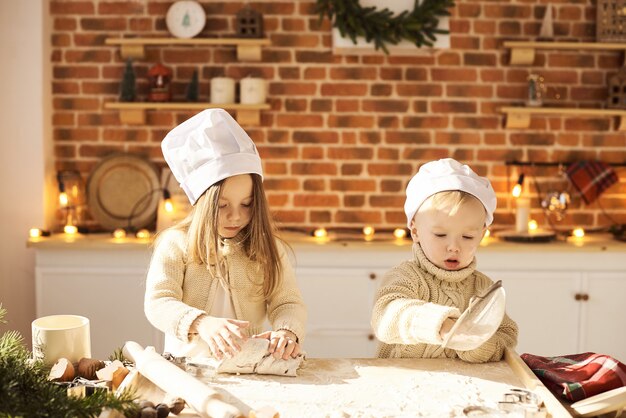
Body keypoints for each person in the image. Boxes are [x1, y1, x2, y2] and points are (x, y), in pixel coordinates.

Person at [145, 108, 307, 361]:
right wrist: (203, 323)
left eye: (247, 204)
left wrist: (286, 331)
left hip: (246, 363)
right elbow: (159, 303)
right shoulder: (175, 243)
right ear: (202, 203)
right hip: (186, 363)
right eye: (222, 206)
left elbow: (287, 303)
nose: (236, 216)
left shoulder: (268, 247)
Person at [371, 158, 518, 363]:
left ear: (482, 235)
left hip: (464, 386)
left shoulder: (483, 288)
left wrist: (473, 344)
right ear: (415, 231)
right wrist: (441, 326)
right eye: (440, 235)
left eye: (467, 237)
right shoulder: (405, 277)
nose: (454, 246)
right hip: (401, 383)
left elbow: (506, 337)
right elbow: (386, 318)